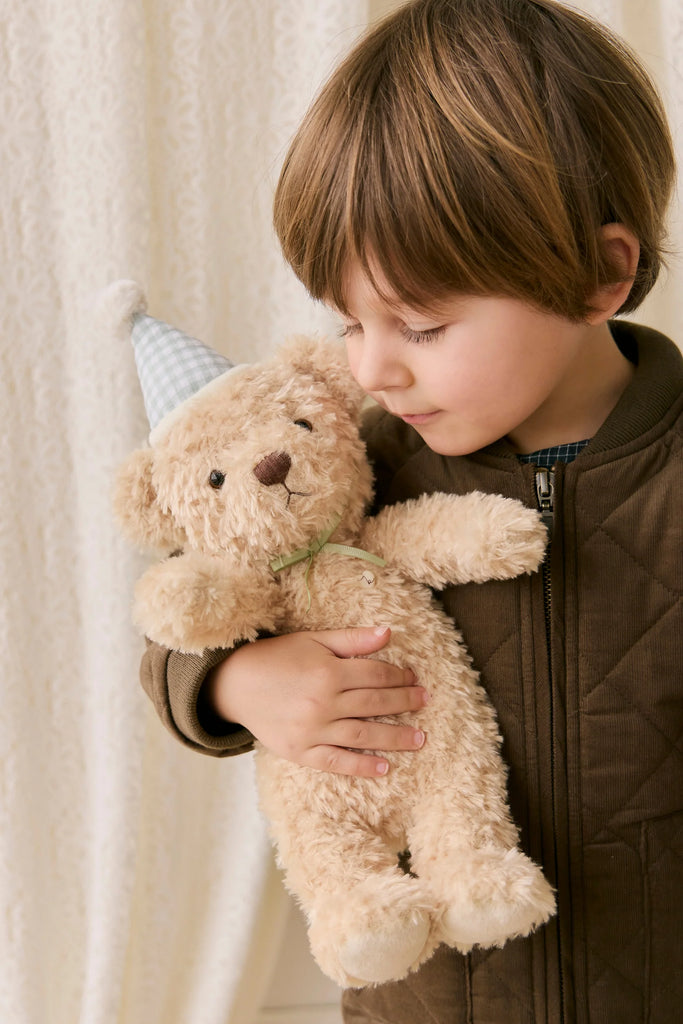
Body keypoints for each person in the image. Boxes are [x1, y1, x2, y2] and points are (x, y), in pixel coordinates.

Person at [139, 1, 682, 1020]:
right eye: (349, 321)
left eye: (420, 324)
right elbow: (183, 608)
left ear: (600, 273)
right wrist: (238, 680)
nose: (372, 366)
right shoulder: (345, 463)